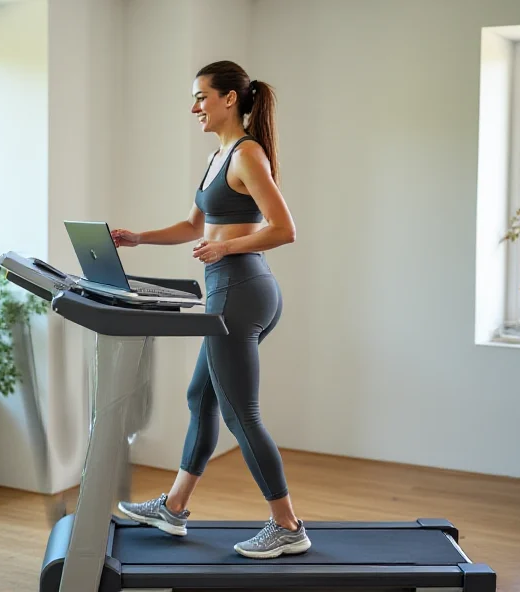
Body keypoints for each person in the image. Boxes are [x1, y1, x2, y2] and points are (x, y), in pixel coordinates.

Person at [111, 60, 309, 560]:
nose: (195, 106)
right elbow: (194, 224)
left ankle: (287, 525)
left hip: (239, 289)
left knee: (242, 414)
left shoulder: (247, 155)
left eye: (202, 96)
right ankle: (174, 507)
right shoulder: (217, 155)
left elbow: (284, 228)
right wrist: (139, 238)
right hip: (232, 287)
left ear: (230, 100)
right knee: (202, 397)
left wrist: (226, 249)